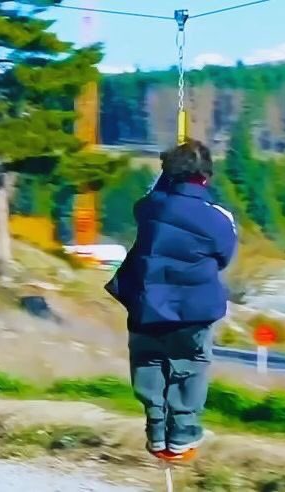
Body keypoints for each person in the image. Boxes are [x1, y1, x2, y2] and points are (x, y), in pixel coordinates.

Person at [105, 139, 237, 461]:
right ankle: (182, 434)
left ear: (168, 173)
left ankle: (156, 432)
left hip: (146, 306)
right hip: (192, 310)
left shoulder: (150, 208)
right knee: (189, 366)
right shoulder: (218, 219)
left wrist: (166, 179)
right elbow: (223, 257)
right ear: (206, 176)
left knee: (148, 363)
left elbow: (151, 197)